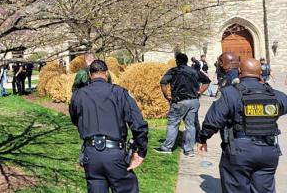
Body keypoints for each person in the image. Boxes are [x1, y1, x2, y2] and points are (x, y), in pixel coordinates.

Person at [197, 58, 287, 193]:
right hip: (268, 150)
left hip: (239, 151)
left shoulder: (231, 93)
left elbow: (213, 120)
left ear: (239, 71)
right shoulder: (275, 94)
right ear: (260, 73)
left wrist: (203, 138)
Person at [69, 60, 148, 193]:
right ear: (106, 73)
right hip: (115, 154)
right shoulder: (120, 93)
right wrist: (141, 152)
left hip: (91, 154)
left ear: (89, 75)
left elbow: (75, 119)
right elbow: (138, 124)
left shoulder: (78, 95)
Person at [155, 53, 211, 156]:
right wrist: (200, 92)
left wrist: (166, 96)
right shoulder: (194, 71)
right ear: (186, 61)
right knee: (190, 126)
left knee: (173, 124)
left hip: (179, 101)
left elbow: (163, 82)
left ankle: (167, 147)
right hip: (193, 101)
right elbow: (207, 81)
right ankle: (189, 150)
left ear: (177, 61)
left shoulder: (173, 71)